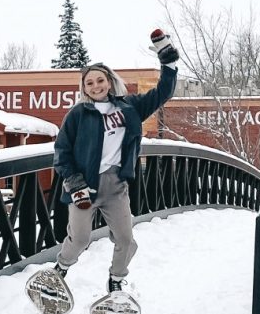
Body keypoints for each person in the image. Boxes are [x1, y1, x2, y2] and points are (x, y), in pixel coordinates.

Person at [53, 28, 180, 293]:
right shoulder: (77, 114)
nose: (95, 86)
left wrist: (167, 64)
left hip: (115, 187)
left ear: (109, 82)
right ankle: (60, 270)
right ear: (84, 88)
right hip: (83, 186)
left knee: (126, 239)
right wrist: (74, 183)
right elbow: (62, 152)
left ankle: (116, 280)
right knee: (79, 239)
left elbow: (162, 93)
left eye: (100, 81)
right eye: (89, 83)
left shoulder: (129, 107)